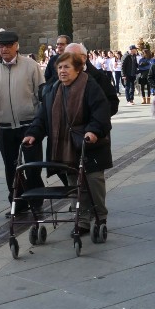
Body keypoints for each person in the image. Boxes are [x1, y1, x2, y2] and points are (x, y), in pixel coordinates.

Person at [23, 52, 113, 235]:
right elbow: (42, 117)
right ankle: (82, 221)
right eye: (59, 67)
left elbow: (101, 112)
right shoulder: (52, 89)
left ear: (78, 69)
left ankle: (100, 215)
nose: (62, 71)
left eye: (66, 67)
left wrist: (93, 130)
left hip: (88, 145)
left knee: (94, 182)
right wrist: (33, 134)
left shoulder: (90, 86)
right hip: (66, 148)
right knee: (74, 184)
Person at [0, 30, 44, 201]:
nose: (4, 49)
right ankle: (17, 200)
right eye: (1, 46)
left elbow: (41, 94)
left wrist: (40, 123)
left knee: (33, 165)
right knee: (11, 167)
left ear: (16, 46)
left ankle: (36, 198)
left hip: (29, 125)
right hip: (5, 127)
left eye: (8, 46)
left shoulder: (31, 66)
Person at [63, 43, 120, 116]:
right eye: (65, 56)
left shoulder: (99, 78)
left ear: (84, 58)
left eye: (72, 56)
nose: (68, 59)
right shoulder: (58, 79)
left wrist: (96, 120)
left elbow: (112, 103)